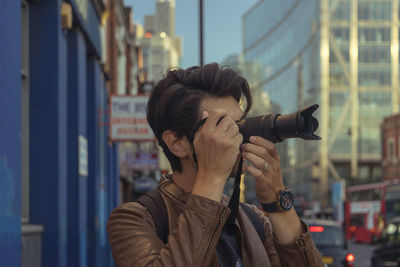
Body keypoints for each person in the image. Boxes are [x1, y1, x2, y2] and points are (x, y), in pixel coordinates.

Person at [107, 63, 324, 267]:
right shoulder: (135, 220)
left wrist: (277, 201)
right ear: (177, 143)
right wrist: (211, 178)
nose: (237, 138)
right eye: (222, 126)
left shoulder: (251, 220)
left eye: (239, 126)